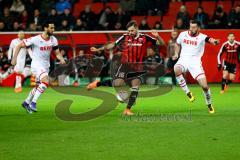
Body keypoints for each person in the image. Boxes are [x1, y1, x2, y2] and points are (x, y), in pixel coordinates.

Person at [87, 20, 164, 115]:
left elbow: (162, 44)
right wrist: (98, 49)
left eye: (132, 31)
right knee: (117, 83)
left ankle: (127, 109)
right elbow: (112, 45)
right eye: (129, 31)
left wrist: (158, 37)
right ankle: (97, 84)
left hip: (138, 67)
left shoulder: (145, 37)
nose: (130, 33)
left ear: (136, 28)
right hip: (125, 66)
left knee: (136, 86)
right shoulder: (125, 36)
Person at [11, 21, 66, 114]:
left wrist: (61, 59)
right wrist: (14, 59)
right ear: (45, 28)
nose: (53, 30)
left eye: (54, 28)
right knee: (46, 81)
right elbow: (19, 45)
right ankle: (33, 103)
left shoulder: (53, 40)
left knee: (38, 87)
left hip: (46, 66)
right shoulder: (35, 39)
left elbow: (57, 52)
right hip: (36, 65)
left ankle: (26, 102)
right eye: (51, 28)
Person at [173, 19, 219, 114]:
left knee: (205, 86)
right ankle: (188, 92)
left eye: (194, 27)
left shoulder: (202, 37)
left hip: (195, 63)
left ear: (198, 27)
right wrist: (176, 54)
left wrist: (214, 41)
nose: (191, 29)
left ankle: (209, 104)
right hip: (183, 59)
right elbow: (177, 44)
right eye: (190, 26)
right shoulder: (183, 34)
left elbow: (210, 39)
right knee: (176, 69)